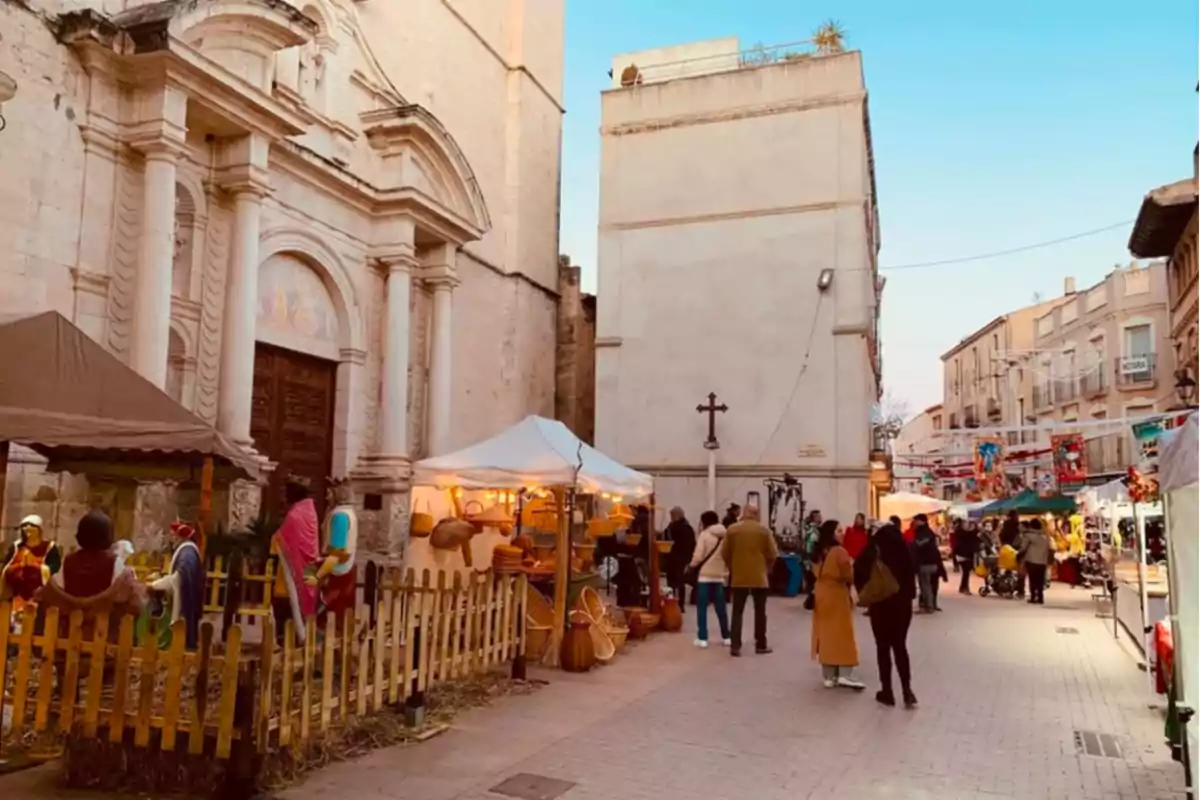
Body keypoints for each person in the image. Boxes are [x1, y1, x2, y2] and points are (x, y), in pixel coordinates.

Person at [854, 522, 918, 708]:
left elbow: (858, 568)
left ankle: (887, 691)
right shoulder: (904, 551)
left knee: (883, 648)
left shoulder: (874, 550)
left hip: (880, 606)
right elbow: (912, 577)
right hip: (902, 606)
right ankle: (907, 690)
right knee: (900, 647)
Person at [810, 520, 865, 689]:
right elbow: (848, 576)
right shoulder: (840, 552)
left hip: (821, 593)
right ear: (831, 533)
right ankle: (844, 673)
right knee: (842, 633)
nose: (842, 533)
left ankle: (828, 675)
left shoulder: (818, 552)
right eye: (839, 530)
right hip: (837, 594)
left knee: (825, 633)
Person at [721, 505, 778, 656]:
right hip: (759, 577)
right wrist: (768, 568)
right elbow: (773, 554)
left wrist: (731, 566)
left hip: (739, 577)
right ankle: (760, 644)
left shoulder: (732, 530)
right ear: (757, 514)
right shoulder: (764, 531)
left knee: (737, 612)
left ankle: (735, 646)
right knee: (760, 611)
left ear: (744, 514)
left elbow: (724, 552)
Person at [272, 480, 321, 644]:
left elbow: (278, 542)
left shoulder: (294, 516)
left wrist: (276, 539)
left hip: (290, 582)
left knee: (286, 622)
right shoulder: (311, 513)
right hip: (309, 570)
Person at [308, 478, 359, 629]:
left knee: (330, 617)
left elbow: (337, 549)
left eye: (329, 493)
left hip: (337, 572)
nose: (326, 497)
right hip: (343, 570)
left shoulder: (340, 516)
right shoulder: (347, 513)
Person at [149, 521, 206, 649]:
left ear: (180, 537)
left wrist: (155, 585)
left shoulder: (187, 554)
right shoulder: (186, 551)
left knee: (183, 629)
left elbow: (178, 579)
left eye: (173, 534)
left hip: (186, 600)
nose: (171, 538)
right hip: (189, 596)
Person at [1, 514, 61, 613]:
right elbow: (6, 567)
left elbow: (55, 566)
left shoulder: (49, 547)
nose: (28, 531)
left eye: (32, 528)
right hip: (17, 592)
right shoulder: (16, 547)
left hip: (39, 593)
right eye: (25, 527)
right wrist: (20, 565)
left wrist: (36, 566)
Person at [689, 510, 730, 648]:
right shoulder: (726, 536)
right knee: (721, 608)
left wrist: (692, 565)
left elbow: (698, 556)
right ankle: (726, 636)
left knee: (702, 607)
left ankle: (702, 638)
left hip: (705, 575)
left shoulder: (704, 535)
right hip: (719, 576)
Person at [665, 506, 697, 605]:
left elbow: (666, 540)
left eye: (671, 515)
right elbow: (693, 544)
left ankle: (671, 602)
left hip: (673, 558)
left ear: (676, 516)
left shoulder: (673, 527)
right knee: (681, 582)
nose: (670, 518)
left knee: (672, 582)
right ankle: (681, 604)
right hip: (685, 558)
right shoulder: (689, 528)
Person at [911, 514, 942, 612]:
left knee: (925, 584)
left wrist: (913, 544)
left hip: (926, 563)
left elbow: (920, 544)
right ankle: (930, 605)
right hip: (932, 562)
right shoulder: (928, 532)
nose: (915, 522)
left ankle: (928, 606)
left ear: (922, 521)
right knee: (928, 584)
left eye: (916, 520)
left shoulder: (923, 532)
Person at [1019, 518, 1052, 605]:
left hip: (1032, 560)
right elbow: (1049, 547)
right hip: (1042, 561)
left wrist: (1018, 555)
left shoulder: (1028, 535)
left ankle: (1033, 597)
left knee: (1032, 579)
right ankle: (1040, 597)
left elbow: (1023, 548)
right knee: (1040, 580)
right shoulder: (1045, 536)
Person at [952, 519, 980, 595]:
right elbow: (968, 538)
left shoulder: (967, 533)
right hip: (962, 555)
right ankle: (965, 588)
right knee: (966, 572)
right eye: (965, 524)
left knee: (966, 572)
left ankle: (963, 587)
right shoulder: (960, 532)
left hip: (967, 555)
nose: (966, 525)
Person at [801, 510, 822, 610]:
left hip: (807, 559)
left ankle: (810, 601)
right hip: (811, 559)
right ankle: (811, 601)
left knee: (811, 581)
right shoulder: (814, 531)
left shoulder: (809, 529)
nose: (821, 518)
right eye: (818, 516)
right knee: (813, 581)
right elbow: (810, 546)